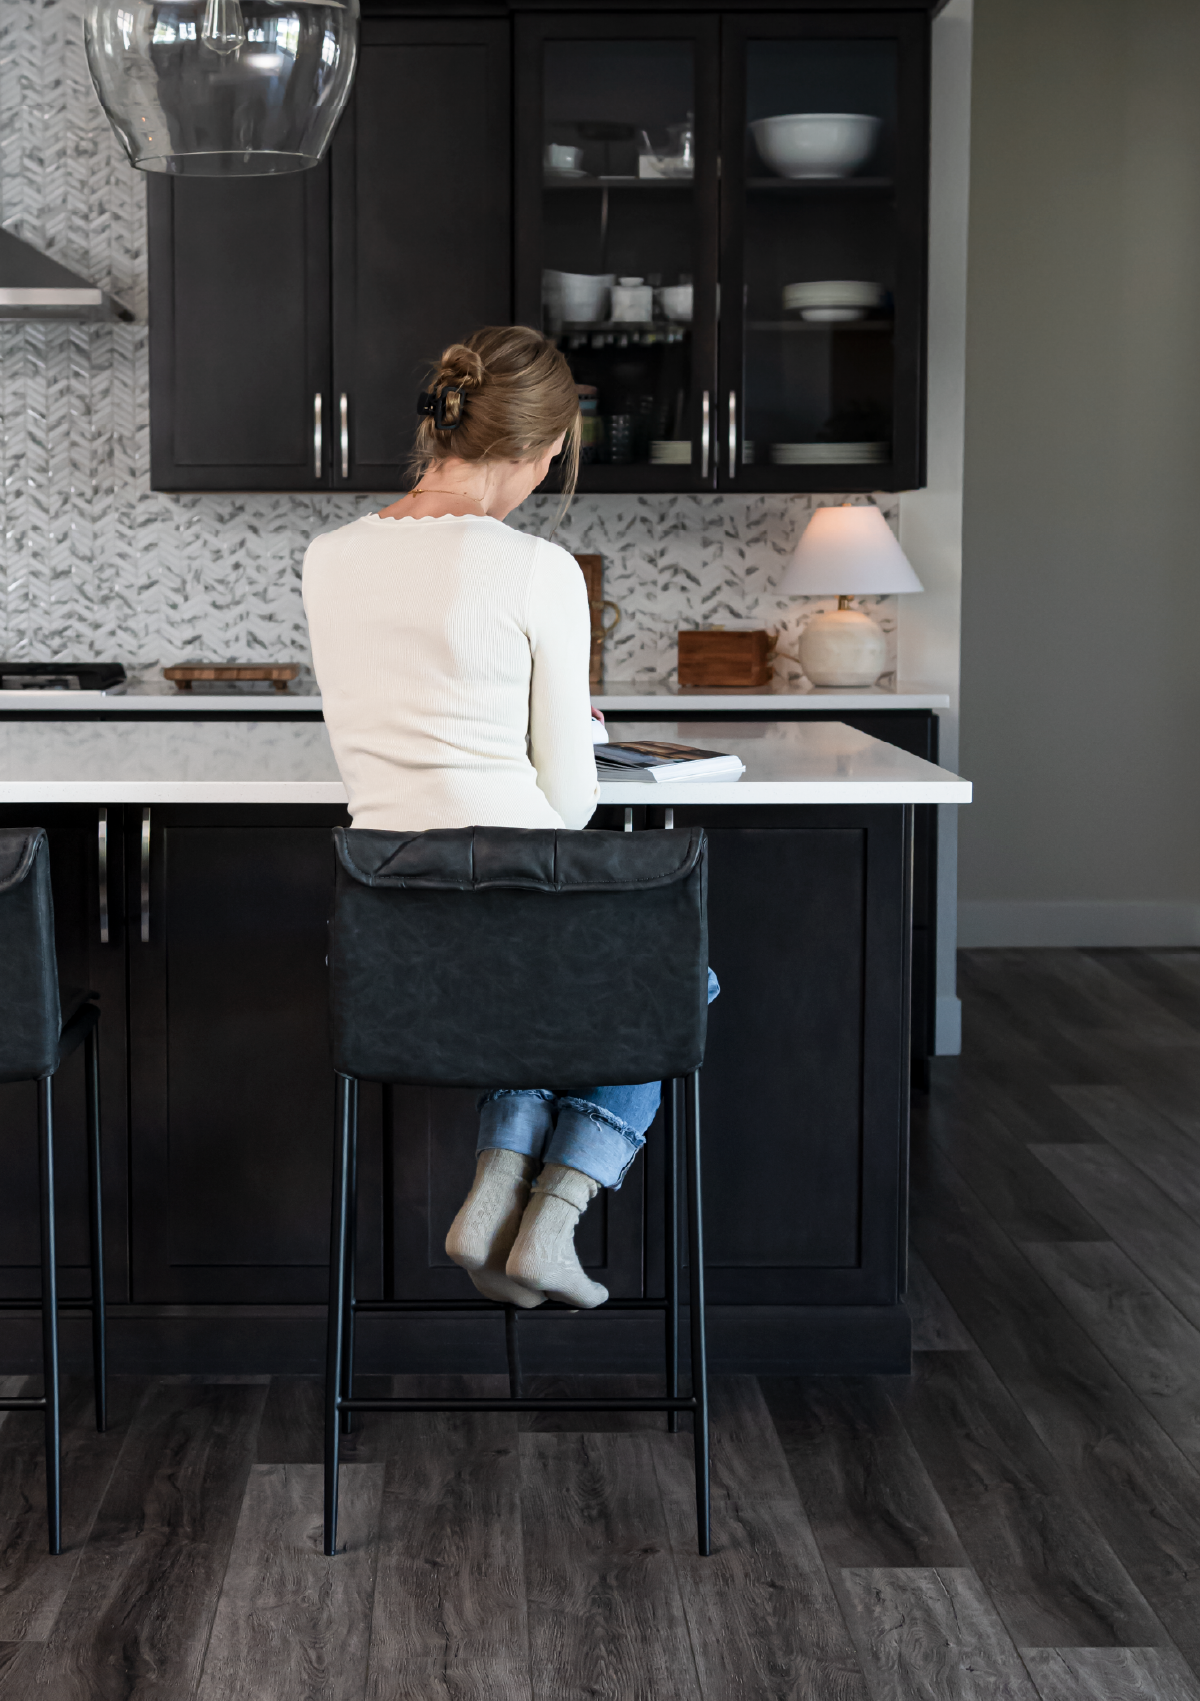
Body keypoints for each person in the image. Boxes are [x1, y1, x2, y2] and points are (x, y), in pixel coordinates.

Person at [304, 324, 681, 1312]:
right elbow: (568, 802)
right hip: (520, 890)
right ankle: (549, 1216)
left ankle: (494, 1192)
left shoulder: (328, 558)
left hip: (397, 921)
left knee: (536, 980)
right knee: (675, 976)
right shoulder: (536, 568)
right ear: (542, 447)